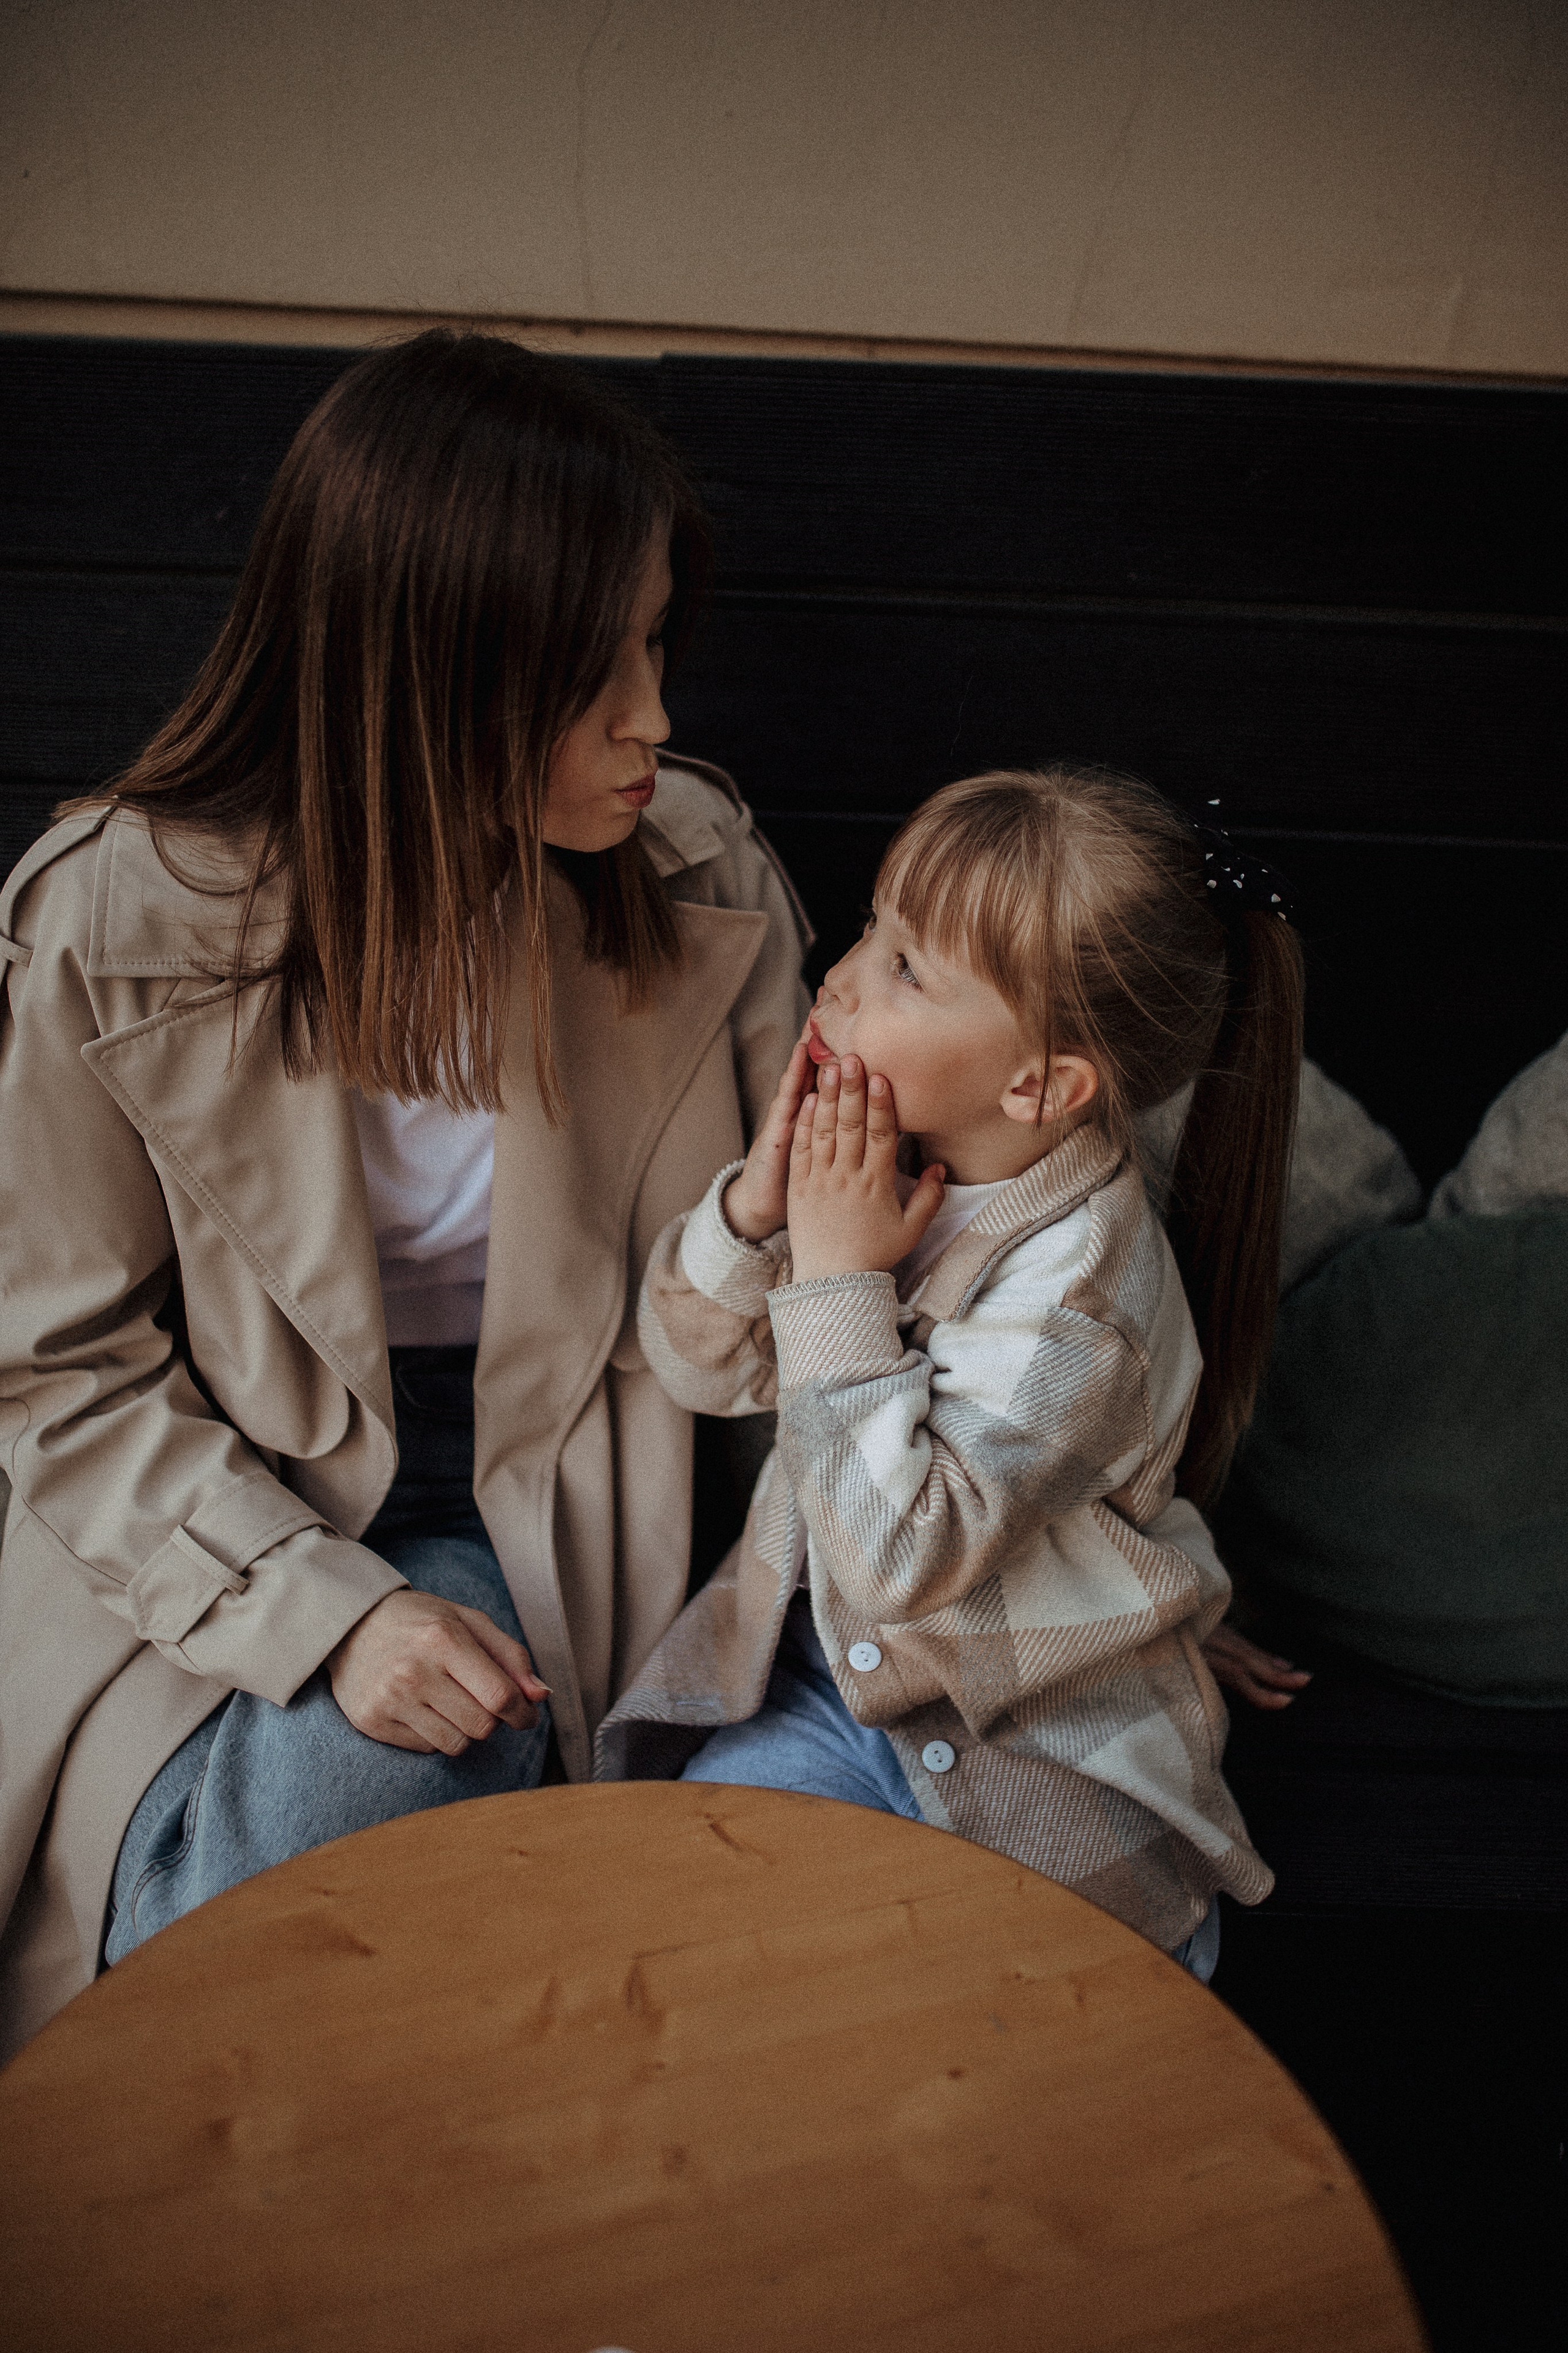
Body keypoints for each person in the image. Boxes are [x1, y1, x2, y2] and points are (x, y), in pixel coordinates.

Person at [0, 331, 809, 2054]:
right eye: (590, 671)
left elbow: (827, 1278)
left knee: (377, 1803)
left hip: (569, 1484)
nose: (653, 719)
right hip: (210, 1495)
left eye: (656, 641)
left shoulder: (698, 868)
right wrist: (324, 1608)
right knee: (303, 1877)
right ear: (418, 672)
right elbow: (57, 1369)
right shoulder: (110, 918)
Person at [599, 766, 1305, 1980]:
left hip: (1031, 1763)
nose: (839, 975)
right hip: (822, 1687)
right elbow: (692, 1363)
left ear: (1039, 1085)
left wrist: (835, 1278)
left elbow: (902, 1560)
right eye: (870, 928)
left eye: (906, 969)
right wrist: (755, 1212)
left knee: (988, 2017)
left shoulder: (1082, 1299)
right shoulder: (873, 1158)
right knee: (678, 1923)